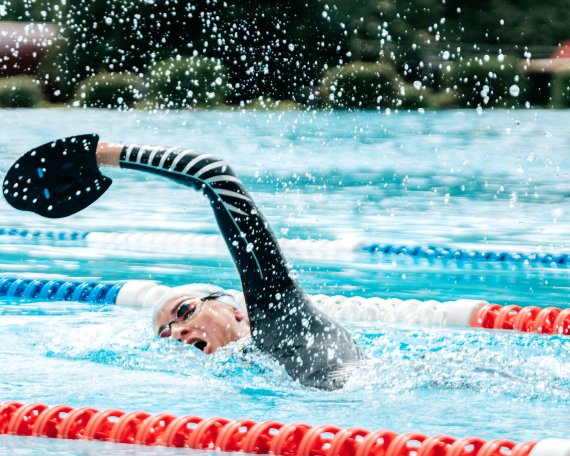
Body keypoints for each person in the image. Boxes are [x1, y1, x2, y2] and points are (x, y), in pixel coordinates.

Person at [5, 136, 361, 390]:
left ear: (235, 311)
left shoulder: (280, 311)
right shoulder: (251, 369)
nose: (176, 333)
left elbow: (214, 174)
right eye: (166, 333)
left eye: (185, 312)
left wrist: (100, 155)